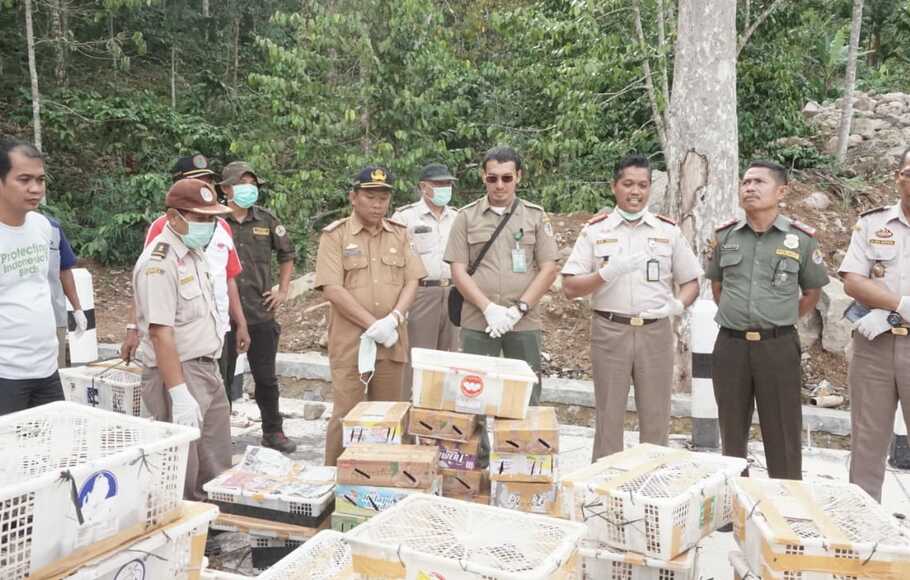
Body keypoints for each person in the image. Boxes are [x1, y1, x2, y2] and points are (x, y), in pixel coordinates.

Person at [561, 155, 702, 460]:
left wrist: (677, 305)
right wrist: (605, 274)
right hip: (610, 330)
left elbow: (692, 281)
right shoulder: (596, 231)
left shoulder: (668, 231)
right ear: (614, 187)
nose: (635, 192)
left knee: (656, 415)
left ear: (651, 188)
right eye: (628, 184)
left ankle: (653, 482)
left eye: (642, 185)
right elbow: (570, 287)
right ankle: (604, 483)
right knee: (609, 413)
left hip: (655, 331)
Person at [707, 160, 828, 480]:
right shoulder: (725, 236)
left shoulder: (801, 239)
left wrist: (777, 318)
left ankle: (786, 502)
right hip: (730, 345)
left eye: (759, 182)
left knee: (783, 429)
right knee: (731, 427)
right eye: (745, 182)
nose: (749, 188)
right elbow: (717, 287)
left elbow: (812, 293)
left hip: (777, 346)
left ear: (781, 191)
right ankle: (734, 501)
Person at [315, 165, 425, 465]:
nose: (378, 204)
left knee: (390, 415)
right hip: (352, 343)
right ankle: (334, 479)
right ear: (353, 197)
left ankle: (385, 479)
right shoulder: (335, 236)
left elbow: (412, 280)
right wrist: (372, 323)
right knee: (346, 414)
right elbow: (331, 288)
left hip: (391, 340)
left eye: (383, 198)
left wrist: (393, 320)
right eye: (370, 197)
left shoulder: (399, 235)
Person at [133, 178, 233, 500]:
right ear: (174, 218)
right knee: (182, 462)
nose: (208, 225)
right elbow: (161, 333)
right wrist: (178, 394)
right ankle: (184, 526)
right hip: (179, 372)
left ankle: (212, 520)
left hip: (205, 367)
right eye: (200, 218)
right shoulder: (159, 262)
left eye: (211, 218)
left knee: (214, 453)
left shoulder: (193, 252)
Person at [121, 154, 251, 398]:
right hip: (180, 346)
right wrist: (132, 328)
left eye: (207, 181)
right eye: (197, 180)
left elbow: (228, 277)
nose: (204, 187)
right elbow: (147, 287)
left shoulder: (220, 227)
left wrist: (239, 322)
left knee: (219, 404)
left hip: (216, 331)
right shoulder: (164, 230)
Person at [443, 146, 558, 404]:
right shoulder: (466, 217)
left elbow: (549, 268)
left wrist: (519, 309)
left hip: (524, 322)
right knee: (473, 393)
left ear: (519, 176)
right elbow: (458, 270)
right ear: (483, 176)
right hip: (477, 319)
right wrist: (488, 309)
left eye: (507, 178)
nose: (499, 185)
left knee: (526, 394)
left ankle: (521, 446)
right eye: (492, 177)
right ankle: (479, 446)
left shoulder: (535, 216)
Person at [839, 147, 910, 502]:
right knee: (867, 442)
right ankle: (863, 531)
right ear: (898, 177)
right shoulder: (873, 223)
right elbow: (853, 280)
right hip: (874, 344)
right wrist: (898, 306)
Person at [220, 161, 297, 453]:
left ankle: (273, 431)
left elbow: (287, 254)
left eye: (253, 184)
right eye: (243, 183)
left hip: (260, 312)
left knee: (266, 377)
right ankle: (219, 435)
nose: (249, 189)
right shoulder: (214, 221)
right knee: (221, 380)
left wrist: (283, 289)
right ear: (226, 188)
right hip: (222, 316)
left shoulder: (266, 220)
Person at [0, 136, 65, 413]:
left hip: (47, 369)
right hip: (6, 375)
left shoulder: (42, 227)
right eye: (24, 179)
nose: (35, 189)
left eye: (40, 180)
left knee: (56, 451)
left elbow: (42, 287)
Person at [391, 162, 460, 399]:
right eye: (439, 184)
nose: (445, 188)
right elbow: (394, 260)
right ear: (423, 187)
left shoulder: (459, 217)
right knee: (415, 359)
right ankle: (408, 422)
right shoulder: (405, 217)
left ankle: (440, 421)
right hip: (420, 294)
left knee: (450, 361)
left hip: (454, 293)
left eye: (447, 184)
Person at [45, 215, 88, 368]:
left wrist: (77, 309)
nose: (33, 190)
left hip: (53, 315)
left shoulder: (52, 228)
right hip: (12, 322)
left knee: (56, 370)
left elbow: (64, 270)